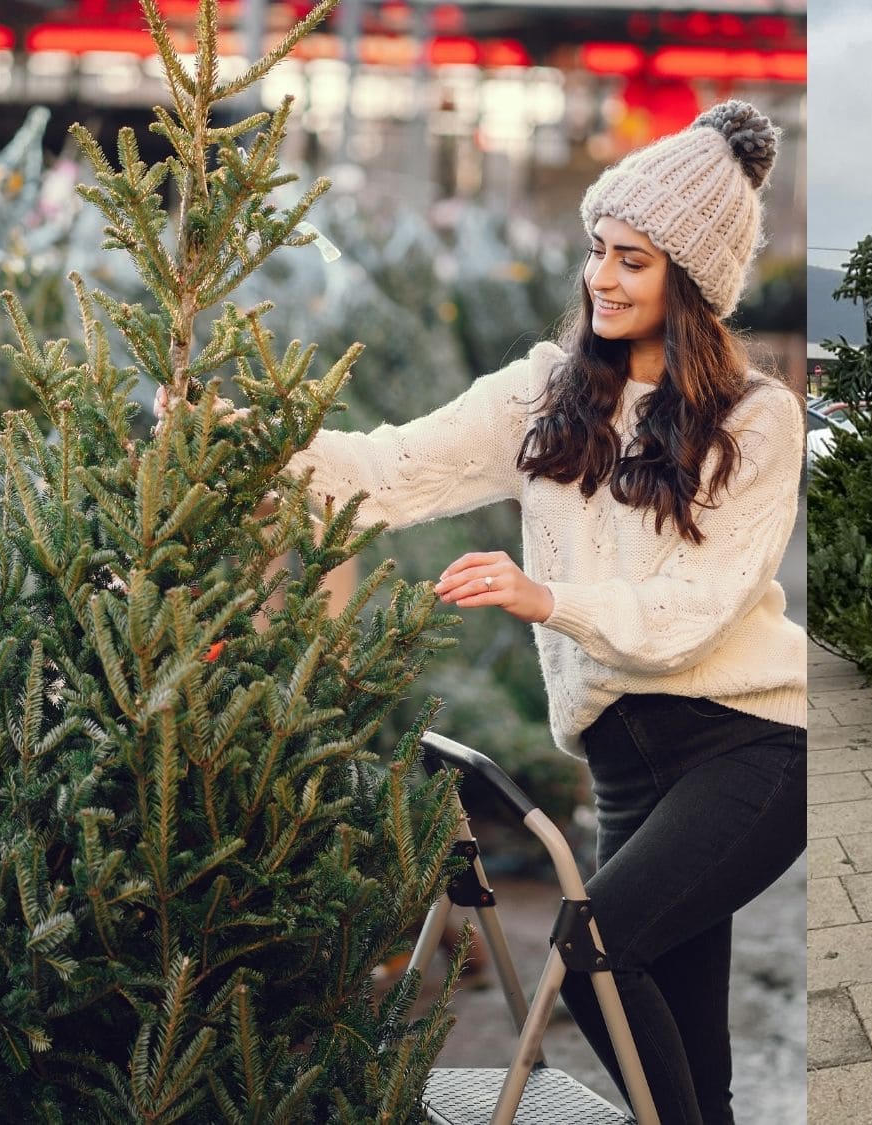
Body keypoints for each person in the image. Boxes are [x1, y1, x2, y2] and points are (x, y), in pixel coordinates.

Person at [163, 101, 806, 1125]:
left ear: (690, 284)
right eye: (597, 250)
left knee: (596, 951)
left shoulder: (755, 419)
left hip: (751, 748)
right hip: (625, 763)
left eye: (633, 261)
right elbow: (384, 468)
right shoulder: (545, 396)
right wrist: (233, 434)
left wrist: (544, 595)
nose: (600, 277)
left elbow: (697, 606)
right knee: (683, 1056)